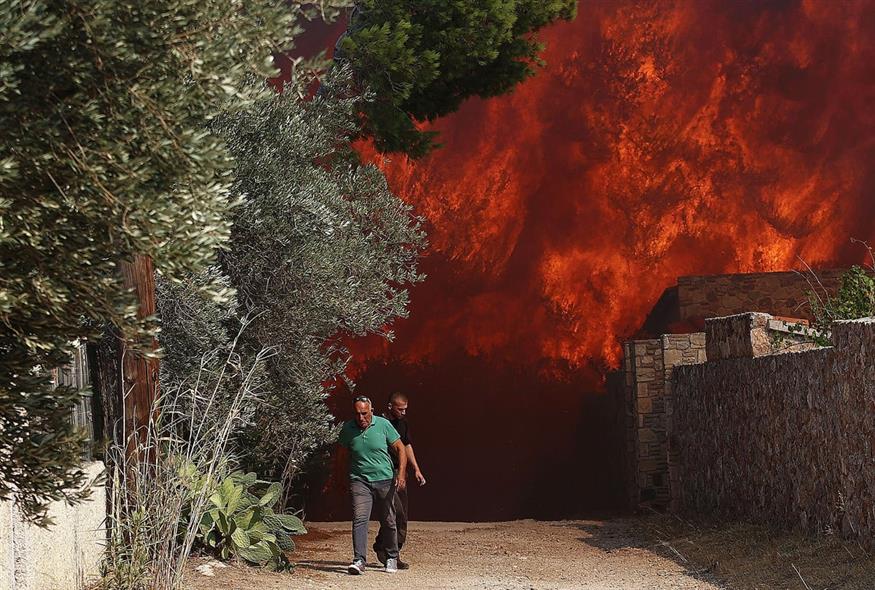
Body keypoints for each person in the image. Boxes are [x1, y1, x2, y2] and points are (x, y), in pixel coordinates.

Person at [337, 395, 407, 575]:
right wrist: (341, 477)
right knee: (360, 519)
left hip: (384, 479)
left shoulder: (383, 425)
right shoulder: (348, 428)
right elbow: (341, 454)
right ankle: (359, 560)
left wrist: (400, 474)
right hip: (359, 480)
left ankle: (391, 556)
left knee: (388, 519)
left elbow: (401, 448)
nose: (361, 418)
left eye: (365, 413)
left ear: (372, 411)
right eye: (358, 414)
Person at [373, 392, 426, 570]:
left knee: (402, 515)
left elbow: (407, 445)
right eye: (400, 409)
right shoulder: (379, 423)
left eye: (405, 409)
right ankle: (387, 551)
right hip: (384, 473)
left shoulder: (403, 423)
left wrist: (416, 469)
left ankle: (391, 551)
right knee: (394, 513)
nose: (403, 412)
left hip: (400, 472)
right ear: (390, 406)